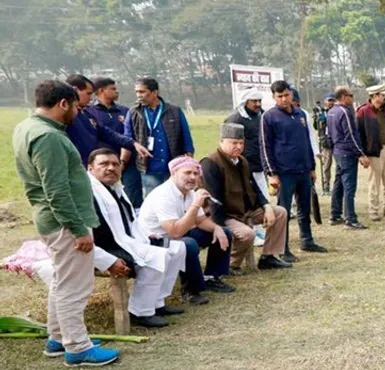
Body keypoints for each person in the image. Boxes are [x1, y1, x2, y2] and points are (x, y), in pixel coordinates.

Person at [13, 80, 119, 366]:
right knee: (75, 287)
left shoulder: (28, 128)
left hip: (53, 219)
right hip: (64, 222)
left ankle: (58, 337)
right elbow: (56, 189)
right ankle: (77, 347)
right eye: (75, 105)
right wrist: (77, 229)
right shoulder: (49, 137)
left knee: (62, 281)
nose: (77, 111)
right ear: (63, 104)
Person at [84, 148, 185, 329]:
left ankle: (157, 302)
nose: (111, 168)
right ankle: (140, 311)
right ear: (90, 169)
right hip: (105, 246)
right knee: (157, 256)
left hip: (129, 240)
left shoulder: (115, 188)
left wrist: (146, 236)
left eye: (115, 164)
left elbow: (130, 220)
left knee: (177, 248)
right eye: (104, 164)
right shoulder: (87, 192)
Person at [136, 157, 235, 306]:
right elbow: (175, 232)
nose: (193, 177)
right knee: (188, 244)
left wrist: (217, 228)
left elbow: (200, 221)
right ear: (174, 172)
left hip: (177, 233)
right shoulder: (163, 195)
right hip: (155, 240)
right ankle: (190, 290)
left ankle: (211, 278)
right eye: (187, 173)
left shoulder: (189, 193)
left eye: (195, 174)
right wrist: (195, 205)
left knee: (223, 232)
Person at [200, 124, 290, 272]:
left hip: (245, 210)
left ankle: (268, 257)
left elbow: (254, 188)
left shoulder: (242, 161)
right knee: (247, 233)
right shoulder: (210, 163)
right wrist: (219, 228)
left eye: (241, 143)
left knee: (279, 212)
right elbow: (214, 201)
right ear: (221, 141)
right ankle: (230, 264)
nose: (238, 146)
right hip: (224, 214)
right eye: (234, 143)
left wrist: (266, 207)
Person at [262, 80, 327, 255]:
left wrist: (312, 167)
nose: (284, 99)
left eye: (286, 95)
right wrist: (272, 173)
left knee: (305, 208)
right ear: (274, 97)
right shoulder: (269, 117)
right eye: (280, 96)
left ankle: (307, 240)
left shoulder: (301, 114)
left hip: (304, 170)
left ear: (291, 94)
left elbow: (307, 142)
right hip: (284, 172)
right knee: (283, 211)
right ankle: (282, 248)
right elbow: (265, 147)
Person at [125, 76, 194, 194]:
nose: (138, 95)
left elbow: (185, 135)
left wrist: (189, 155)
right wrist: (136, 145)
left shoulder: (174, 110)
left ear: (155, 92)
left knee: (176, 195)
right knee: (154, 198)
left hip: (173, 164)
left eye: (142, 91)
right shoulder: (133, 112)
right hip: (149, 166)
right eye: (136, 92)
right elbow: (127, 137)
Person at [84, 77, 145, 206]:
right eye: (113, 89)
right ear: (101, 90)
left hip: (128, 162)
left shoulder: (125, 111)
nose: (117, 92)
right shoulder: (89, 112)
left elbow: (130, 135)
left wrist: (123, 162)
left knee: (133, 198)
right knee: (103, 196)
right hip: (103, 163)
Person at [355, 84, 385, 221]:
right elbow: (359, 134)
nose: (384, 97)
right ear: (374, 96)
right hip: (373, 152)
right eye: (382, 95)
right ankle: (373, 210)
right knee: (375, 182)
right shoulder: (363, 111)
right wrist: (361, 154)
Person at [326, 86, 366, 229]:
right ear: (343, 96)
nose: (352, 98)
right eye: (350, 95)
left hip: (337, 151)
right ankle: (350, 219)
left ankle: (335, 214)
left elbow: (329, 135)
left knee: (339, 184)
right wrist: (360, 153)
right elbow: (351, 135)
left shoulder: (331, 111)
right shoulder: (345, 112)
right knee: (349, 186)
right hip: (347, 152)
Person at [314, 94, 335, 194]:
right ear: (325, 101)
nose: (331, 102)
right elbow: (316, 127)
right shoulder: (321, 113)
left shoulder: (337, 112)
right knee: (326, 166)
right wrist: (316, 118)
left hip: (337, 141)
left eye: (332, 100)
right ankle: (326, 186)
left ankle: (339, 187)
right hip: (326, 142)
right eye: (329, 100)